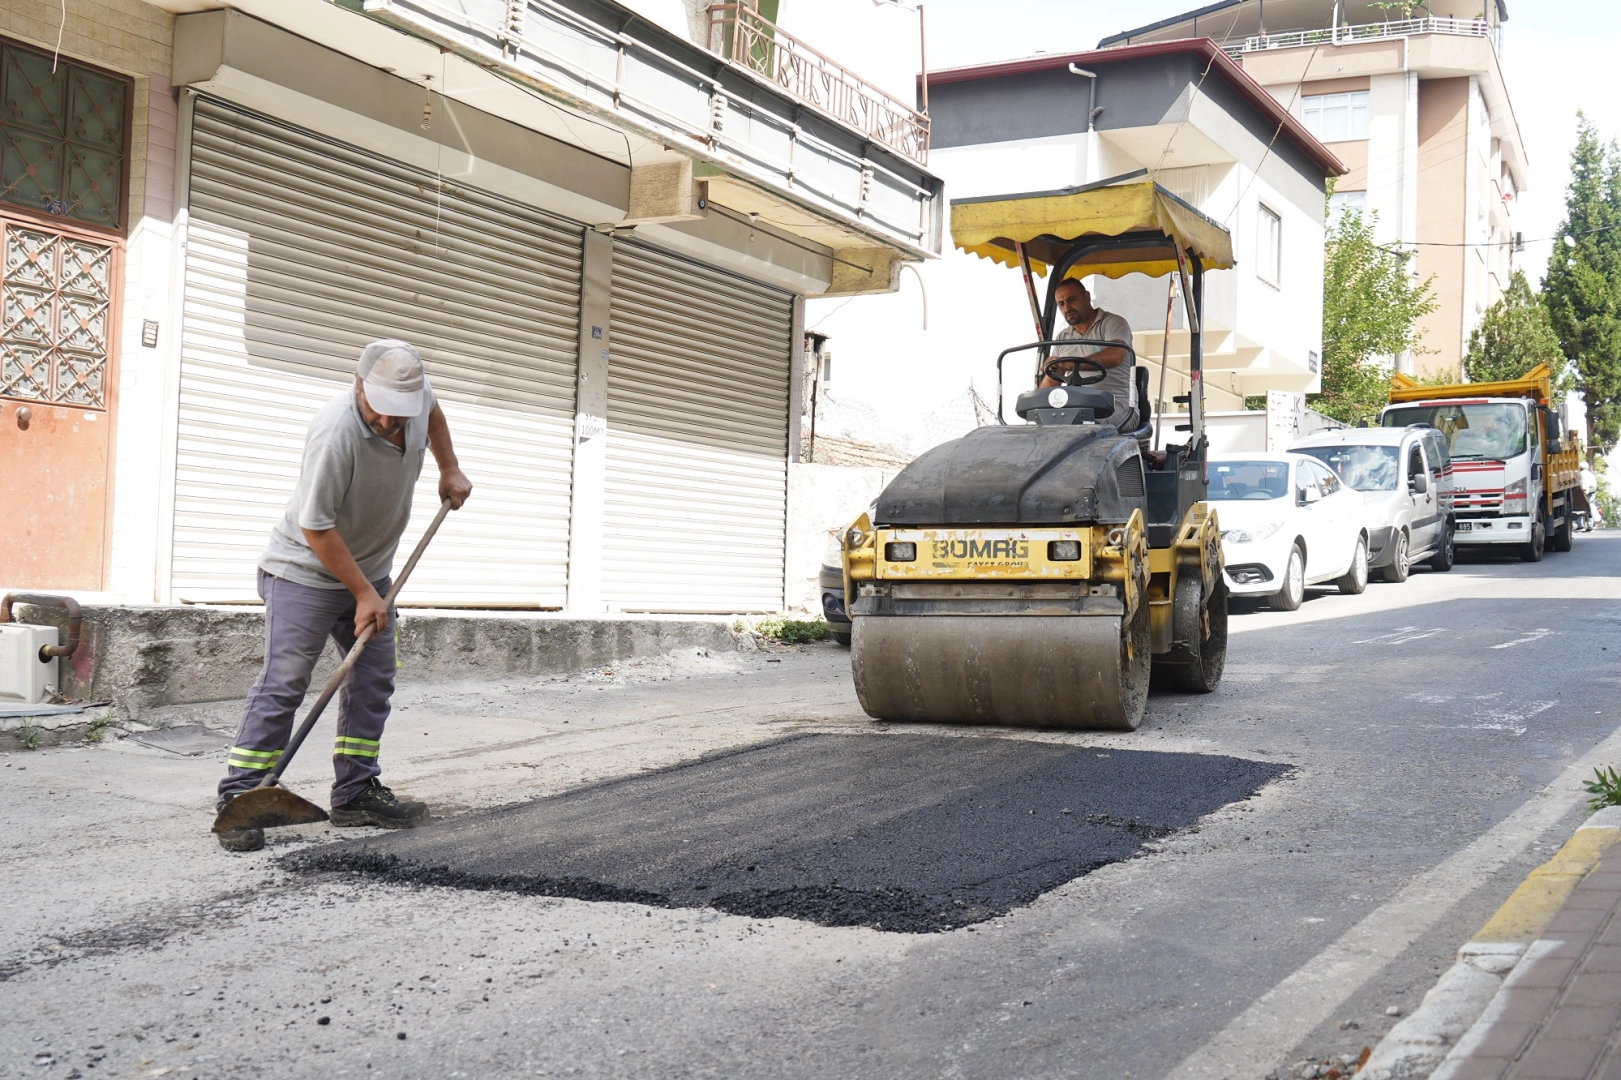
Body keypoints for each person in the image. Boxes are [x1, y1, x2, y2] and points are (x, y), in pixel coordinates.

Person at [215, 340, 472, 852]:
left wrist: (449, 467)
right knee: (284, 683)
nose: (388, 424)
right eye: (379, 411)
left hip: (372, 574)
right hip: (303, 574)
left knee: (372, 682)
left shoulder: (415, 402)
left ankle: (355, 793)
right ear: (358, 386)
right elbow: (316, 525)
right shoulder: (336, 432)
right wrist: (363, 594)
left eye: (400, 416)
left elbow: (435, 416)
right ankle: (240, 799)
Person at [1044, 278, 1138, 431]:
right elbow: (1051, 381)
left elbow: (1115, 356)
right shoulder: (1063, 337)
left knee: (1084, 429)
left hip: (1117, 407)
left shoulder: (1113, 323)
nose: (1067, 307)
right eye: (1061, 304)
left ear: (1086, 296)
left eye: (1071, 299)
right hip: (1075, 409)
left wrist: (1069, 364)